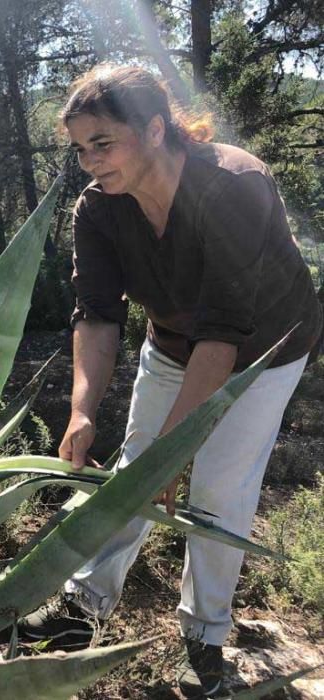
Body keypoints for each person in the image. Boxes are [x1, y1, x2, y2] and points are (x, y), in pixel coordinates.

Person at [17, 65, 323, 698]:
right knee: (134, 464)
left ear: (155, 129)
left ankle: (204, 639)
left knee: (217, 486)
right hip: (175, 341)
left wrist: (175, 452)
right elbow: (97, 316)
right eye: (80, 149)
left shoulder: (233, 185)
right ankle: (85, 607)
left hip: (264, 347)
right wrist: (80, 410)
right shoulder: (99, 209)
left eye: (103, 143)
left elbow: (225, 334)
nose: (90, 162)